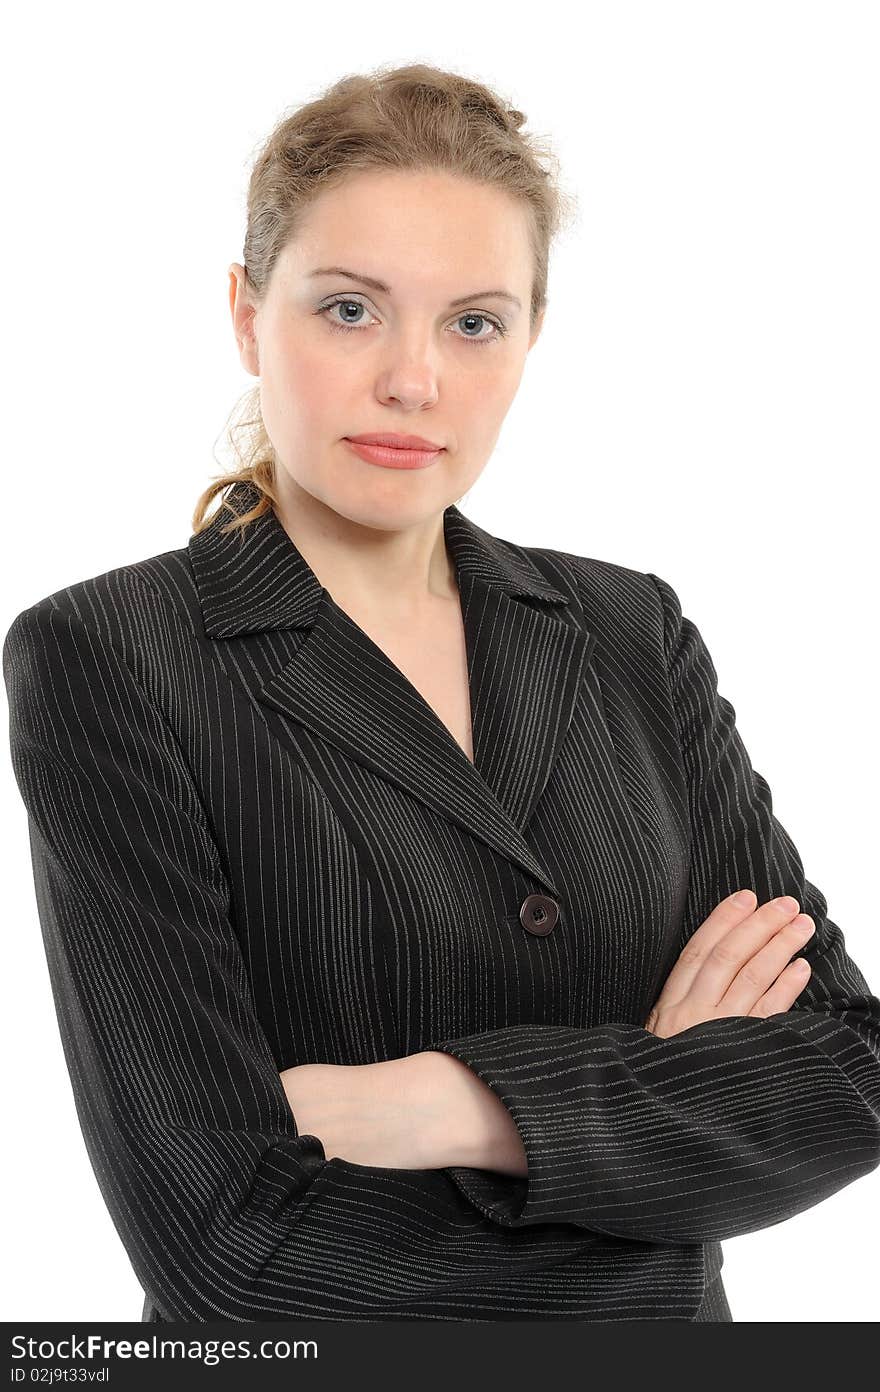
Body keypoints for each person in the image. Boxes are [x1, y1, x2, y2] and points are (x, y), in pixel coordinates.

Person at [4, 62, 879, 1325]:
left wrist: (455, 1104)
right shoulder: (112, 656)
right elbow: (222, 1254)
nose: (414, 380)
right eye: (350, 309)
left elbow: (849, 1067)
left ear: (528, 336)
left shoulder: (627, 629)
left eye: (473, 321)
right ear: (248, 316)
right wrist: (657, 1122)